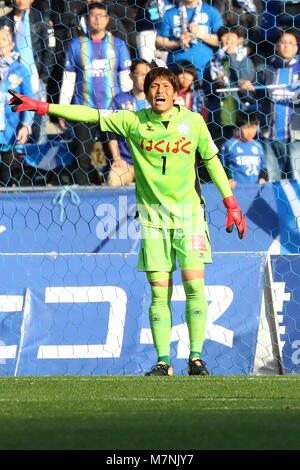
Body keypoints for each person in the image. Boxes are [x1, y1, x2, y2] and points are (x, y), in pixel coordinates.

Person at [8, 66, 247, 376]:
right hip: (153, 219)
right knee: (160, 292)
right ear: (146, 93)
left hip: (190, 218)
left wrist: (231, 203)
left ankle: (196, 358)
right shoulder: (134, 120)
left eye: (165, 86)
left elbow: (212, 162)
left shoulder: (194, 122)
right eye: (153, 86)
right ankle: (163, 362)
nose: (159, 90)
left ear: (176, 93)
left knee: (194, 288)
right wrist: (42, 107)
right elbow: (90, 114)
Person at [58, 1, 132, 185]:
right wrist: (62, 108)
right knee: (81, 156)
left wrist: (128, 107)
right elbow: (68, 79)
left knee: (114, 157)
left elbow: (125, 79)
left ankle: (110, 194)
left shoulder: (119, 45)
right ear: (86, 19)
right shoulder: (76, 45)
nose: (97, 19)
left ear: (108, 19)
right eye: (93, 15)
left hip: (112, 111)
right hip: (85, 109)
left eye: (101, 15)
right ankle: (84, 195)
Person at [241, 28, 300, 182]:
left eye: (291, 43)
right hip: (269, 136)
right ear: (276, 46)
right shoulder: (266, 69)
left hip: (296, 137)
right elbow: (253, 95)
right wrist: (246, 86)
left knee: (296, 180)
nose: (286, 46)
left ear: (297, 47)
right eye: (283, 42)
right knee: (274, 182)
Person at [0, 0, 55, 143]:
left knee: (38, 118)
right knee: (12, 116)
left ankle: (38, 158)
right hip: (11, 78)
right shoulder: (4, 21)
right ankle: (17, 154)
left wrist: (43, 75)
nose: (21, 1)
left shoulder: (41, 20)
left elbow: (49, 49)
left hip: (36, 77)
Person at [202, 25, 256, 147]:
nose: (228, 41)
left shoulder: (245, 60)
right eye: (225, 38)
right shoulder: (213, 63)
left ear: (239, 40)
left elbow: (248, 92)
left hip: (240, 118)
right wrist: (216, 84)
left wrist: (232, 56)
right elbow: (207, 91)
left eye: (232, 37)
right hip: (218, 118)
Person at [106, 60, 152, 186]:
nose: (144, 78)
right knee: (114, 179)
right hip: (126, 163)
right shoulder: (119, 100)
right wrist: (117, 158)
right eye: (140, 74)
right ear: (131, 76)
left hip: (152, 165)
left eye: (148, 74)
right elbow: (111, 132)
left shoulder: (158, 101)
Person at [155, 0, 223, 79]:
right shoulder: (169, 13)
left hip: (205, 72)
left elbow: (221, 41)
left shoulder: (211, 11)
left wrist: (200, 35)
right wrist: (178, 43)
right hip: (177, 72)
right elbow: (158, 43)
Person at [0, 27, 33, 186]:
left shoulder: (20, 70)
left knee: (5, 174)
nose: (0, 44)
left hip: (9, 132)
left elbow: (29, 100)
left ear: (12, 44)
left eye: (3, 40)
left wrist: (26, 125)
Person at [220, 112, 267, 189]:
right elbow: (222, 166)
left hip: (255, 188)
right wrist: (228, 179)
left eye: (253, 128)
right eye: (246, 128)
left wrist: (263, 178)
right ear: (238, 128)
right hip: (236, 189)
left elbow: (263, 167)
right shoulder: (229, 145)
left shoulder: (257, 145)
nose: (250, 132)